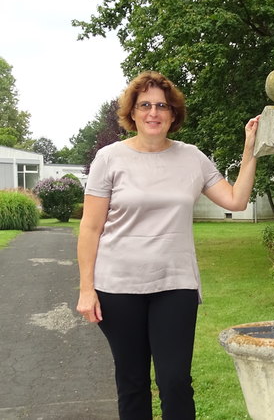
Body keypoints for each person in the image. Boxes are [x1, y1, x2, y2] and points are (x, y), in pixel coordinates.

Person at [76, 70, 260, 419]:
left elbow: (236, 201)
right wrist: (87, 288)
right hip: (118, 286)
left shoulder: (192, 157)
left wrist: (249, 150)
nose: (153, 113)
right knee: (131, 381)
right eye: (145, 105)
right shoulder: (109, 158)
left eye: (162, 106)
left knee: (175, 381)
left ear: (173, 114)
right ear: (132, 113)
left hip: (175, 284)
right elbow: (90, 227)